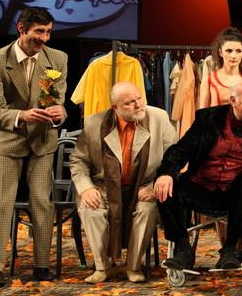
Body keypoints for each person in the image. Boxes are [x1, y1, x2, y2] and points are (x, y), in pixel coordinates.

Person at [0, 7, 67, 286]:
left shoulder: (56, 59)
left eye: (48, 32)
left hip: (41, 140)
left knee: (42, 200)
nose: (44, 38)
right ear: (21, 28)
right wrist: (22, 116)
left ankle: (42, 265)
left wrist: (58, 113)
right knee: (3, 200)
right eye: (39, 31)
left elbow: (55, 100)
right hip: (9, 139)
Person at [154, 78, 242, 270]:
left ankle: (230, 250)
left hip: (235, 195)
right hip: (200, 188)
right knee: (165, 184)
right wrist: (166, 173)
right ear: (233, 100)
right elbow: (181, 150)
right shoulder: (208, 119)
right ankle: (182, 248)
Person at [69, 82, 178, 283]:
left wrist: (155, 185)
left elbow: (174, 156)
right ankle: (103, 267)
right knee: (91, 207)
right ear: (115, 107)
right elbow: (78, 160)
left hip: (143, 185)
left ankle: (133, 266)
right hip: (104, 186)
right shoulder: (94, 123)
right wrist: (86, 188)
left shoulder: (158, 118)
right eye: (129, 102)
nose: (138, 105)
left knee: (147, 208)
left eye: (139, 98)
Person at [205, 27, 242, 107]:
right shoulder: (209, 79)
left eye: (238, 51)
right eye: (229, 51)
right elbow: (202, 112)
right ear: (220, 52)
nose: (234, 56)